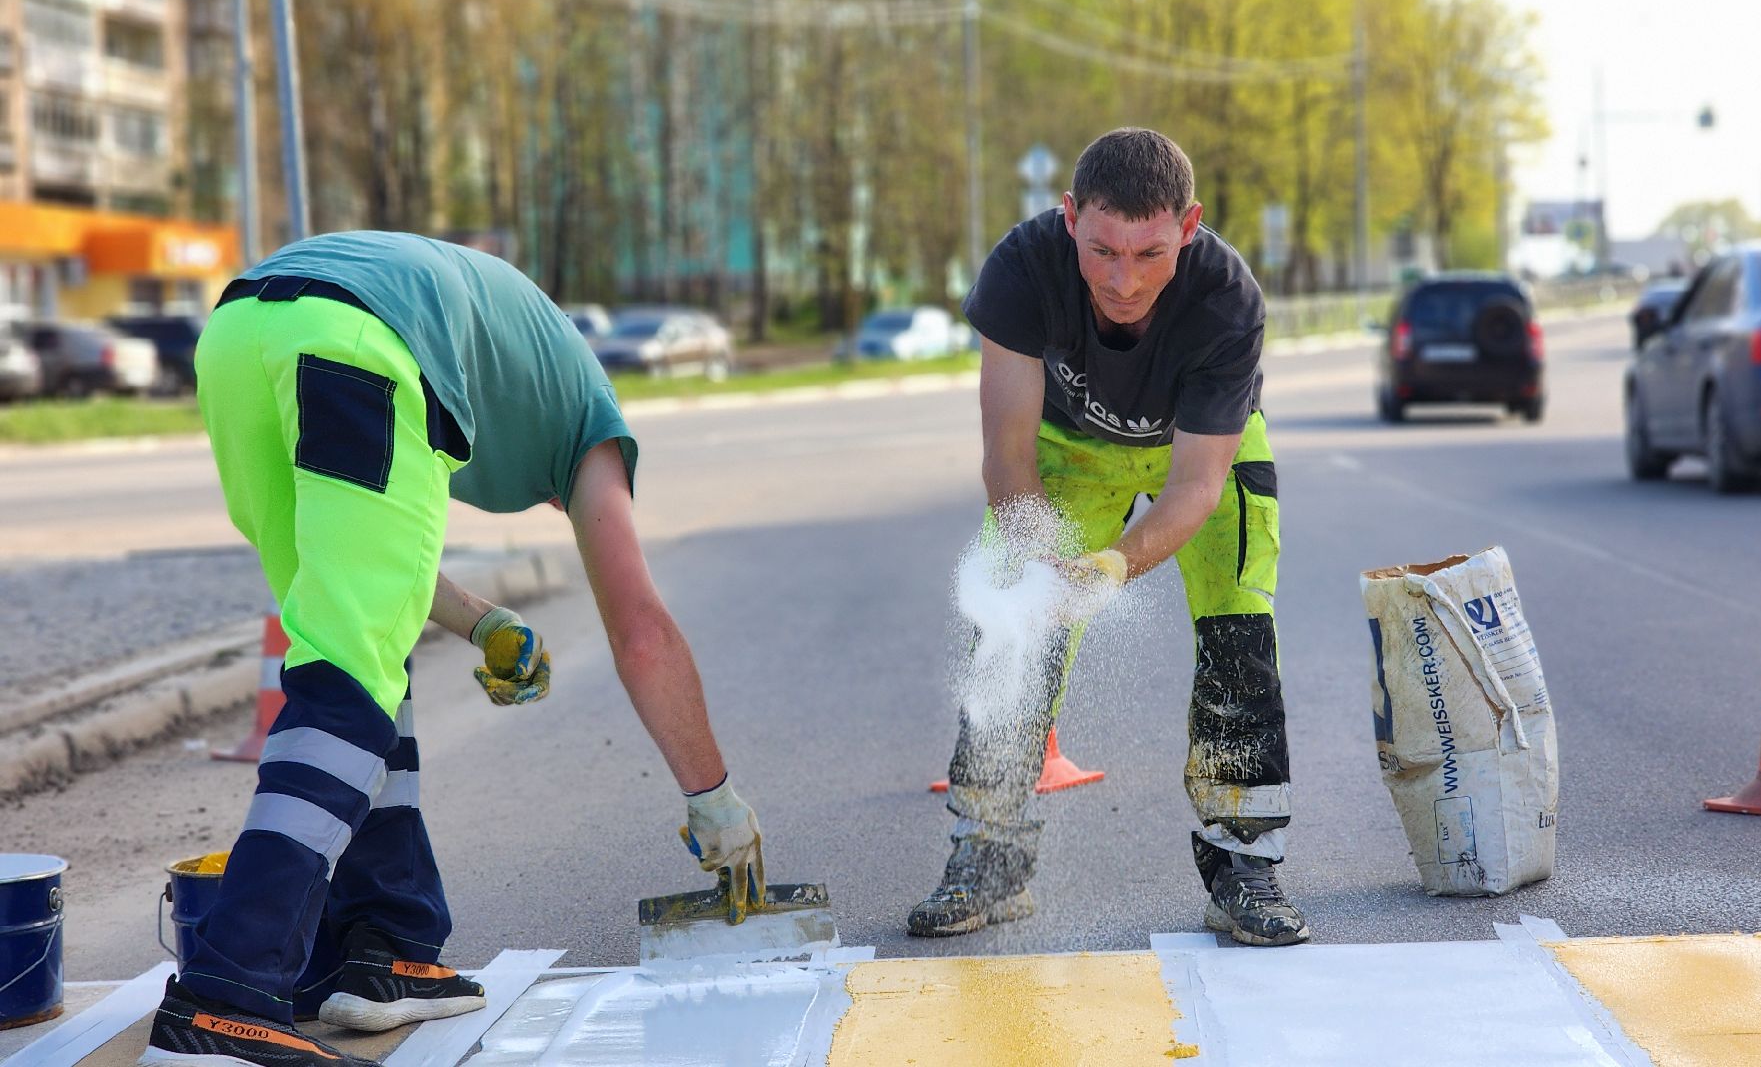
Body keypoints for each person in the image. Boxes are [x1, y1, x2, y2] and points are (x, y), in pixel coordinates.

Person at [140, 233, 765, 1067]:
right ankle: (227, 992)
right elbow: (639, 625)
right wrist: (712, 794)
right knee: (347, 678)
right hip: (355, 338)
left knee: (355, 650)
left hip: (240, 334)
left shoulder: (508, 367)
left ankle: (388, 947)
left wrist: (482, 624)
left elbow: (370, 561)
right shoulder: (590, 426)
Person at [908, 128, 1307, 948]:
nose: (1124, 280)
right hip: (1067, 449)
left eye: (1151, 253)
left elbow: (1196, 487)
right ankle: (987, 856)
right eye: (1102, 251)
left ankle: (1245, 865)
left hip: (1201, 449)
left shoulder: (1226, 298)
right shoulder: (1021, 268)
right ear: (1068, 220)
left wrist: (1109, 566)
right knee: (1014, 626)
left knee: (1238, 625)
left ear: (1189, 228)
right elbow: (1007, 454)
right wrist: (1038, 564)